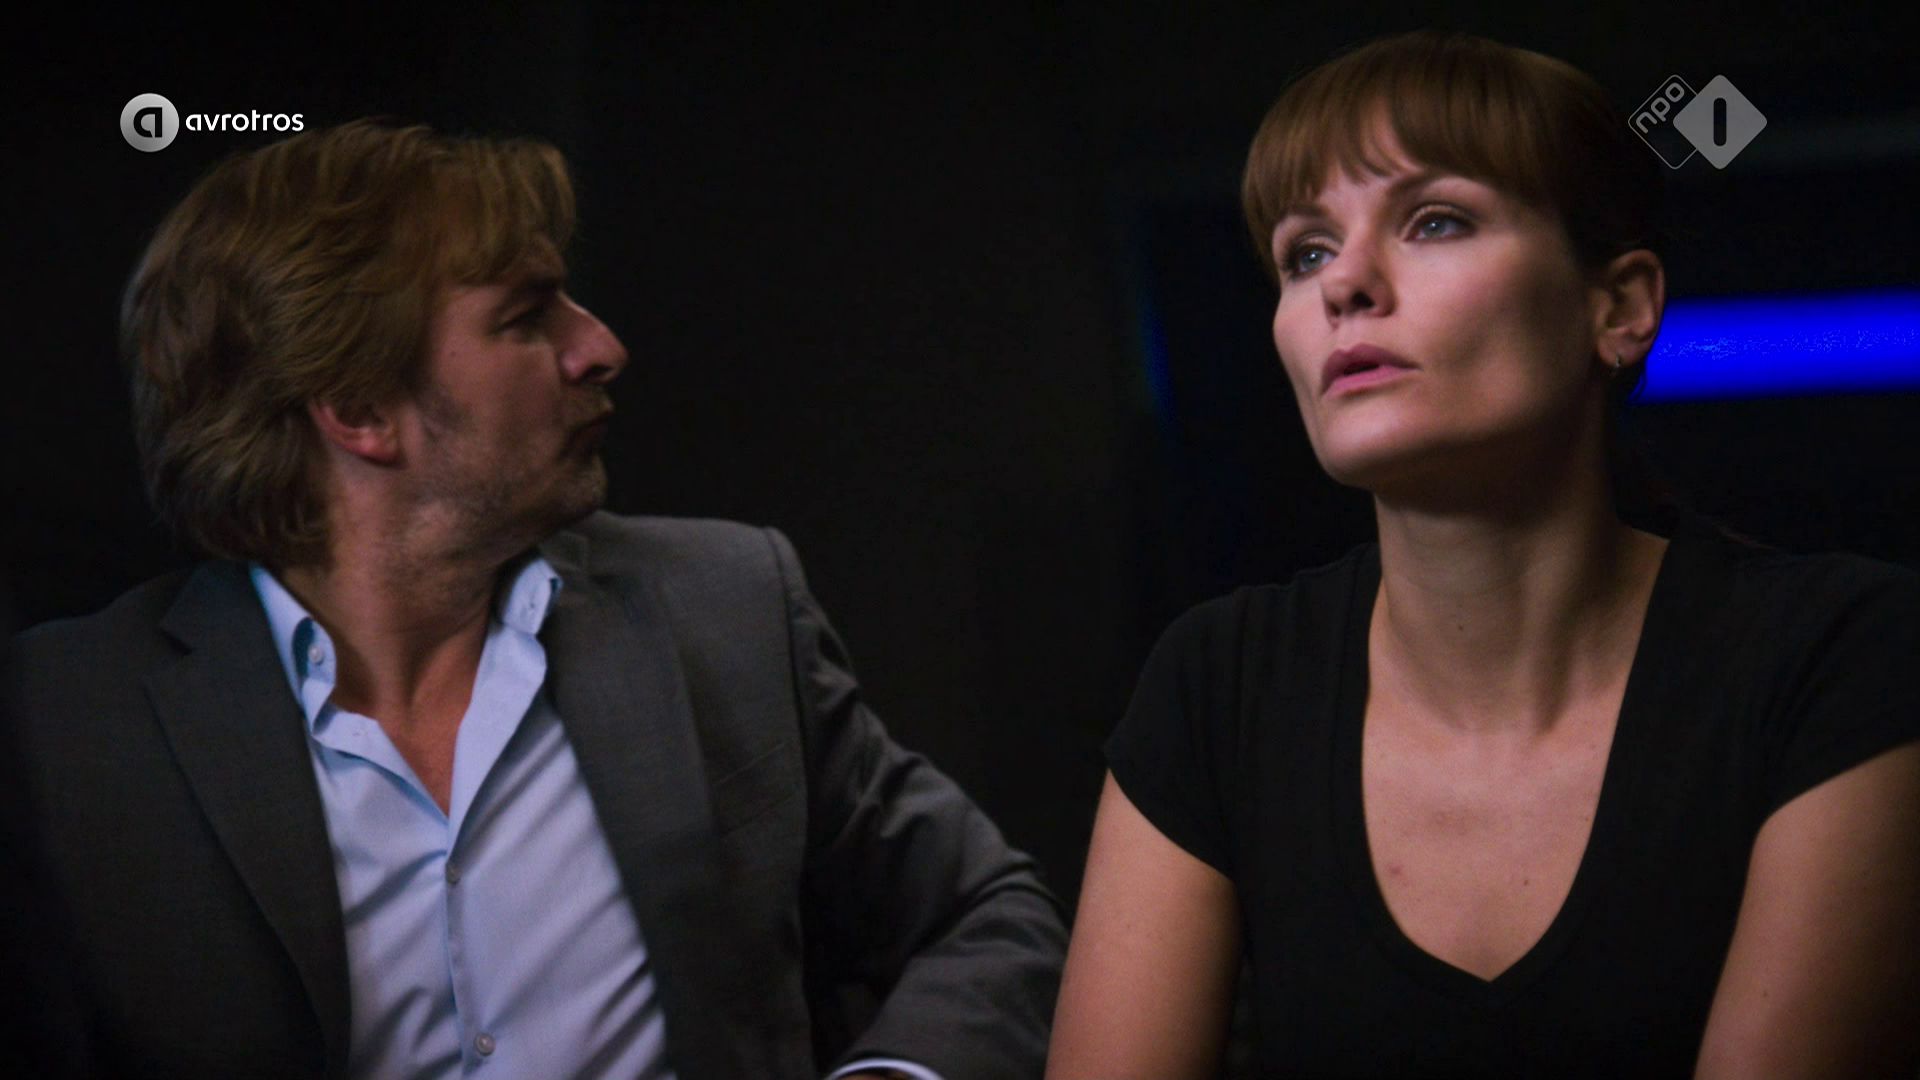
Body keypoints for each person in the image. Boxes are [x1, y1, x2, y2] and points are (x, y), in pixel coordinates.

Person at [0, 119, 1065, 1079]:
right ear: (359, 409)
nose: (600, 347)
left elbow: (987, 916)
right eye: (524, 317)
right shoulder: (63, 726)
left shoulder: (725, 608)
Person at [1050, 31, 1920, 1079]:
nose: (1343, 285)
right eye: (1305, 253)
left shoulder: (1839, 657)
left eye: (1436, 221)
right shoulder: (1216, 686)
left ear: (1619, 308)